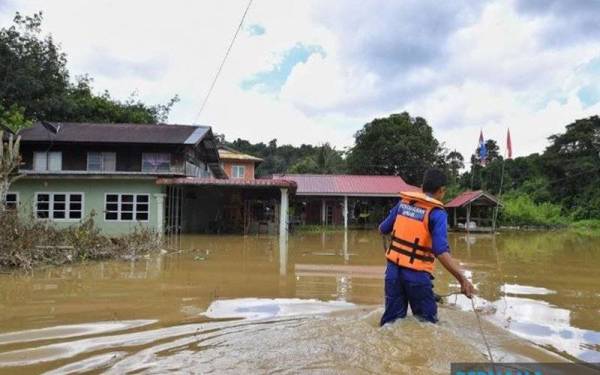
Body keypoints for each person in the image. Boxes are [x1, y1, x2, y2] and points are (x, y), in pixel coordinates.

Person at [379, 168, 475, 325]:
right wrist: (462, 279)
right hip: (417, 277)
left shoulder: (403, 203)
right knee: (427, 324)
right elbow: (441, 251)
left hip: (392, 273)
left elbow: (382, 229)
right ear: (441, 190)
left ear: (422, 186)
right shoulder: (437, 213)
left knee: (391, 323)